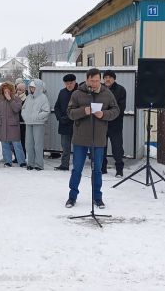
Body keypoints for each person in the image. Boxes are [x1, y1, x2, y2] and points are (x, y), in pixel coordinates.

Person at [65, 68, 120, 209]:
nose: (94, 83)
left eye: (97, 80)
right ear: (86, 79)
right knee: (77, 169)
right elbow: (70, 113)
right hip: (80, 139)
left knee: (97, 170)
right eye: (92, 80)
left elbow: (116, 111)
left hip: (98, 138)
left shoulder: (107, 93)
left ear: (100, 79)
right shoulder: (77, 94)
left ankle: (97, 198)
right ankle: (72, 197)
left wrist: (104, 114)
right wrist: (84, 111)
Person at [101, 70, 127, 178]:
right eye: (105, 77)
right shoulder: (100, 88)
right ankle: (102, 168)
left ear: (114, 79)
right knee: (101, 147)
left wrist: (106, 113)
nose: (107, 79)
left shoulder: (120, 90)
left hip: (115, 124)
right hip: (101, 123)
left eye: (110, 77)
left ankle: (119, 170)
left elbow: (120, 108)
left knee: (117, 148)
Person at [21, 79, 50, 171]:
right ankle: (30, 163)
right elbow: (23, 109)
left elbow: (46, 111)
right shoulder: (29, 97)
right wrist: (25, 117)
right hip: (29, 123)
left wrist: (37, 117)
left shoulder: (43, 97)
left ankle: (39, 164)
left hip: (38, 123)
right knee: (29, 144)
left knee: (38, 144)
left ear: (38, 88)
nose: (32, 89)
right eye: (30, 87)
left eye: (33, 87)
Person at [0, 82, 26, 168]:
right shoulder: (0, 100)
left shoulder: (16, 99)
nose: (6, 93)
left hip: (13, 126)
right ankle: (7, 161)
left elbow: (16, 109)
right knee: (5, 145)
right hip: (2, 125)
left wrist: (10, 100)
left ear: (11, 90)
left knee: (17, 144)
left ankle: (22, 161)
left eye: (8, 91)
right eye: (4, 91)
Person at [53, 74, 77, 171]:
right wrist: (60, 117)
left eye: (71, 83)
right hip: (63, 123)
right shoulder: (62, 92)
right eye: (67, 83)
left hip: (76, 124)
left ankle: (77, 166)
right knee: (65, 146)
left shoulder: (79, 92)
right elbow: (56, 107)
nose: (69, 85)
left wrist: (69, 117)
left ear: (74, 82)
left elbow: (80, 108)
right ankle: (64, 164)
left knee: (77, 147)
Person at [14, 80, 28, 162]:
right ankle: (16, 157)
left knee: (22, 140)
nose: (19, 91)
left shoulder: (26, 98)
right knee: (15, 140)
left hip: (23, 122)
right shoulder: (14, 98)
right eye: (18, 89)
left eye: (21, 90)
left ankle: (22, 157)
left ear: (24, 90)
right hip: (15, 122)